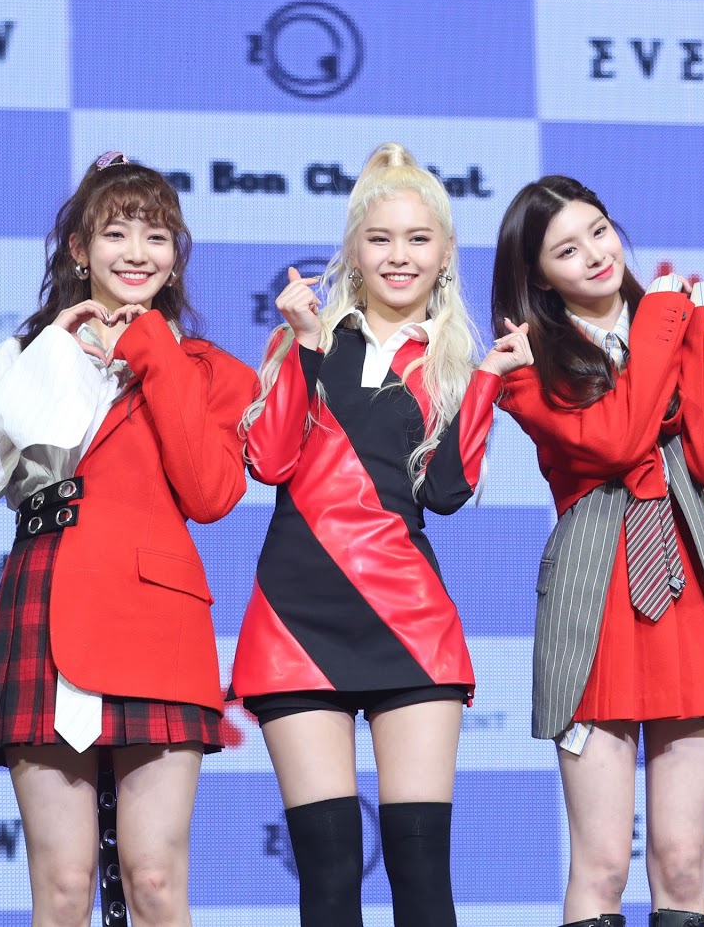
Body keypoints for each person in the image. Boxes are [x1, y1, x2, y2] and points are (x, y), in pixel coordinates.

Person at [0, 151, 257, 926]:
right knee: (63, 886)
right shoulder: (22, 355)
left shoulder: (211, 370)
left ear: (176, 257)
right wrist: (47, 356)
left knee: (154, 881)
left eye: (156, 236)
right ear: (78, 250)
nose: (136, 253)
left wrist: (153, 351)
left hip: (156, 617)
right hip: (47, 604)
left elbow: (212, 493)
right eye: (115, 233)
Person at [233, 142, 531, 927]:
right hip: (296, 620)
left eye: (418, 239)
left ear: (445, 254)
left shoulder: (455, 361)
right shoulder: (307, 338)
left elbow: (447, 492)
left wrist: (488, 382)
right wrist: (303, 345)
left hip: (409, 620)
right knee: (329, 878)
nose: (400, 256)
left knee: (422, 877)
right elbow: (269, 461)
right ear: (354, 252)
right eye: (381, 239)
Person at [491, 174, 704, 927]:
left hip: (687, 592)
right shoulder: (527, 361)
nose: (595, 255)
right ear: (541, 277)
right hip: (594, 606)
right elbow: (615, 439)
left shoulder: (682, 324)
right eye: (566, 251)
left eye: (599, 232)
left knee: (682, 862)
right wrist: (669, 322)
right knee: (602, 864)